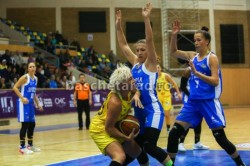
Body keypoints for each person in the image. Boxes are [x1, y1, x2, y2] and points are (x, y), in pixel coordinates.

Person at [167, 20, 245, 166]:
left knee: (220, 138)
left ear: (207, 41)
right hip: (193, 102)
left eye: (199, 40)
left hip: (208, 102)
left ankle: (240, 164)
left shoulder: (212, 58)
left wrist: (196, 73)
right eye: (194, 40)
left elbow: (215, 81)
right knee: (173, 134)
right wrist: (174, 36)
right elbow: (173, 52)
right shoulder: (192, 56)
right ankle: (170, 164)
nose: (196, 42)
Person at [116, 3, 173, 165]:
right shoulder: (135, 63)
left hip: (153, 111)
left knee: (148, 145)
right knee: (133, 146)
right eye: (138, 50)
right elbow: (123, 45)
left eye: (142, 50)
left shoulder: (151, 64)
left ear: (148, 51)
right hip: (139, 113)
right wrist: (118, 26)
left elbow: (149, 39)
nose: (140, 52)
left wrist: (146, 19)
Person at [89, 65, 149, 166]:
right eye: (130, 79)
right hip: (100, 129)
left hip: (114, 125)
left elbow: (137, 90)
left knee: (137, 151)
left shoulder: (129, 89)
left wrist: (137, 95)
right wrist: (126, 138)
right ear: (122, 85)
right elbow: (109, 128)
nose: (134, 80)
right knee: (119, 156)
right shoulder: (115, 102)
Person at [13, 62, 43, 154]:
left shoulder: (36, 79)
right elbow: (15, 87)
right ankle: (22, 147)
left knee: (32, 124)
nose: (32, 68)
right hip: (23, 104)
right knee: (25, 125)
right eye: (30, 67)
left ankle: (30, 145)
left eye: (33, 66)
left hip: (30, 104)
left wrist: (38, 103)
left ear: (35, 68)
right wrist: (22, 98)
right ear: (28, 68)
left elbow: (33, 93)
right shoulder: (25, 77)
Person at [178, 67, 209, 152]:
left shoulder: (201, 70)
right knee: (187, 121)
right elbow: (182, 86)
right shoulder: (187, 70)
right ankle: (180, 143)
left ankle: (197, 142)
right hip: (189, 98)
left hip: (198, 98)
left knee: (199, 119)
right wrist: (190, 95)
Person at [156, 64, 182, 134]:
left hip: (166, 97)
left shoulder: (165, 75)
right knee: (158, 115)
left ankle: (168, 129)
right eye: (156, 68)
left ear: (160, 68)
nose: (157, 69)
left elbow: (174, 84)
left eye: (158, 67)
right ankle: (157, 129)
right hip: (158, 98)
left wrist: (178, 93)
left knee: (167, 114)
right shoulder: (153, 77)